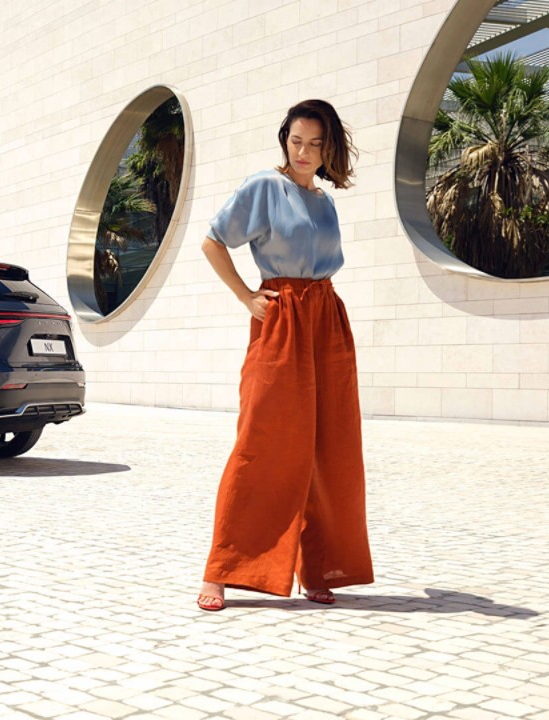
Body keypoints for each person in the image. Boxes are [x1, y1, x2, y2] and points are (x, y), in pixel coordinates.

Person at [197, 99, 374, 611]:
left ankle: (318, 566)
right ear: (285, 140)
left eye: (316, 144)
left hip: (327, 319)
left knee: (330, 448)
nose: (304, 152)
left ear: (328, 148)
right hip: (283, 318)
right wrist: (246, 297)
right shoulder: (263, 187)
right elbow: (213, 242)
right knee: (262, 441)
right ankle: (223, 570)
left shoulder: (324, 200)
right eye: (297, 141)